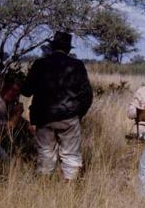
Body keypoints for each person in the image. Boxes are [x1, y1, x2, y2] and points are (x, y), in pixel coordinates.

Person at [21, 31, 93, 182]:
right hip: (69, 117)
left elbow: (26, 91)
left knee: (46, 152)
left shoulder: (40, 64)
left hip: (43, 117)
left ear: (53, 47)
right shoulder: (77, 65)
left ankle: (44, 185)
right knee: (70, 154)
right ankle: (70, 188)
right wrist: (78, 114)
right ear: (68, 49)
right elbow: (87, 95)